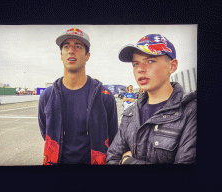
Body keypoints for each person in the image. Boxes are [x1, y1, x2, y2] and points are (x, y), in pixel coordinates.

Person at [106, 34, 197, 164]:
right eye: (136, 64)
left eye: (150, 61)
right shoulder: (130, 114)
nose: (140, 69)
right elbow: (112, 158)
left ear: (172, 66)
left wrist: (128, 161)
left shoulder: (191, 111)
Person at [38, 28, 118, 165]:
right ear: (61, 55)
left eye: (78, 46)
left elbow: (113, 136)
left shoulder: (105, 96)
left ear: (87, 56)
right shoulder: (47, 95)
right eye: (66, 46)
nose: (71, 50)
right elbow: (45, 132)